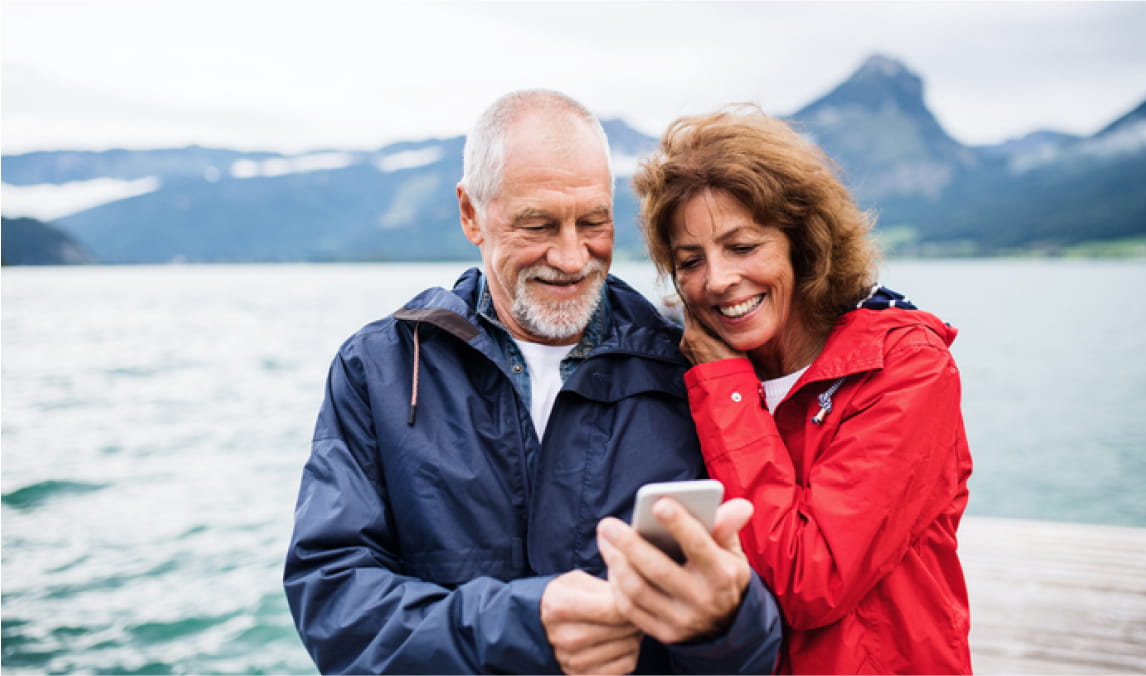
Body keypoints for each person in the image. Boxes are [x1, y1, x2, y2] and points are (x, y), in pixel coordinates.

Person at [283, 90, 782, 675]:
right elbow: (332, 601)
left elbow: (763, 635)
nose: (572, 258)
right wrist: (519, 628)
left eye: (594, 222)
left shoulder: (691, 367)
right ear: (471, 214)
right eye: (538, 224)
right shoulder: (379, 368)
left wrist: (726, 620)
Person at [604, 104, 973, 674]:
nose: (718, 280)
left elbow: (811, 579)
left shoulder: (905, 368)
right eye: (690, 260)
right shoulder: (691, 373)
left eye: (743, 247)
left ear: (802, 242)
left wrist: (725, 389)